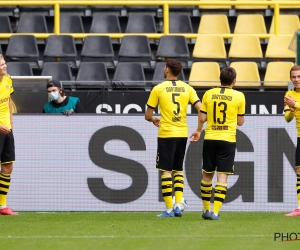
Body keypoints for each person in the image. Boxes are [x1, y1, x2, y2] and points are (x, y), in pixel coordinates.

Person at [145, 59, 203, 218]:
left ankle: (169, 209)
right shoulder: (187, 88)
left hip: (166, 133)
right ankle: (178, 205)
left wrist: (153, 119)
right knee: (178, 169)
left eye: (164, 67)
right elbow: (201, 109)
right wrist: (199, 129)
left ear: (167, 70)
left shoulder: (158, 89)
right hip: (182, 133)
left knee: (165, 171)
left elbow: (147, 115)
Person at [199, 67, 245, 220]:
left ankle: (205, 210)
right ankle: (215, 212)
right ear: (234, 81)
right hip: (227, 140)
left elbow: (202, 119)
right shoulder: (239, 96)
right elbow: (240, 122)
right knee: (222, 177)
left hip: (210, 138)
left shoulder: (208, 94)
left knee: (207, 175)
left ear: (220, 79)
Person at [0, 54, 18, 215]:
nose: (5, 66)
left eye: (4, 63)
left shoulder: (8, 80)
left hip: (6, 130)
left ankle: (2, 206)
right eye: (1, 65)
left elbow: (9, 102)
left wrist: (10, 122)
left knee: (7, 166)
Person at [283, 64, 300, 216]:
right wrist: (292, 111)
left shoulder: (294, 99)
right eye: (294, 77)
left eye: (299, 76)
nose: (297, 80)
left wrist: (296, 105)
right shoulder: (289, 94)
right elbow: (287, 118)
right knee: (299, 173)